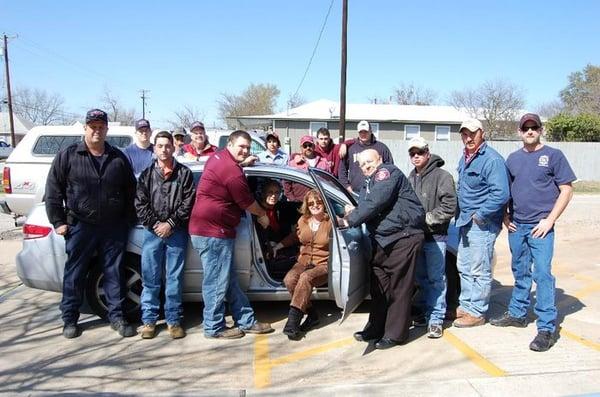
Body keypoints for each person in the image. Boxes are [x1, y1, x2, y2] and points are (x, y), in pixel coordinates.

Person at [45, 108, 137, 339]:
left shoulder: (117, 157)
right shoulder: (68, 155)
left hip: (112, 227)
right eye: (92, 126)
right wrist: (58, 221)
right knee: (75, 274)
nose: (97, 130)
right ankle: (69, 319)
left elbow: (130, 190)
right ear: (85, 128)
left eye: (101, 127)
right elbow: (53, 190)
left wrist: (127, 219)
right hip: (80, 226)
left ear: (106, 129)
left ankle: (117, 317)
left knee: (114, 273)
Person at [490, 113, 576, 352]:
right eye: (525, 128)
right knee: (519, 271)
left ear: (540, 130)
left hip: (541, 228)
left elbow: (566, 190)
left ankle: (546, 328)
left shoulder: (554, 156)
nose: (530, 131)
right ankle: (518, 313)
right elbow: (505, 190)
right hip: (518, 226)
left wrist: (549, 220)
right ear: (519, 132)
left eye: (534, 127)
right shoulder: (513, 159)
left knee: (542, 274)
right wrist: (506, 216)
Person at [188, 130, 274, 339]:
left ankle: (246, 320)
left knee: (227, 280)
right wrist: (263, 215)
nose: (244, 150)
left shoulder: (218, 157)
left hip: (211, 230)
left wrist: (243, 164)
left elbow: (229, 173)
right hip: (213, 233)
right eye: (241, 147)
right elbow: (247, 203)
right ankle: (214, 327)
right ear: (230, 144)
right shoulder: (232, 172)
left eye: (247, 147)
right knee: (216, 282)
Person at [343, 149, 425, 349]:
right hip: (383, 241)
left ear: (379, 160)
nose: (366, 167)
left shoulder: (387, 172)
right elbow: (365, 205)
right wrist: (354, 212)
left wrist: (349, 219)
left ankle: (396, 334)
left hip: (402, 237)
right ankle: (375, 328)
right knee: (379, 288)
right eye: (362, 165)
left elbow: (375, 202)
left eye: (369, 162)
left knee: (399, 289)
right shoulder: (368, 183)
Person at [135, 131, 196, 340]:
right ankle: (149, 321)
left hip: (176, 232)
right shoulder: (146, 175)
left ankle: (173, 320)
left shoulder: (184, 174)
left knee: (174, 278)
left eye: (167, 145)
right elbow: (140, 204)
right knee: (150, 278)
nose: (164, 149)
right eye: (160, 146)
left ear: (173, 147)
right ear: (154, 148)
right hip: (152, 233)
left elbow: (188, 203)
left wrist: (170, 223)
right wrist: (156, 225)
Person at [454, 118, 510, 328]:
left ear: (482, 133)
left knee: (479, 269)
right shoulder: (465, 158)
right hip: (464, 221)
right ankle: (466, 306)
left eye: (472, 133)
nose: (468, 138)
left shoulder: (492, 159)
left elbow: (501, 193)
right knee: (464, 267)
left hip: (482, 224)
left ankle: (477, 312)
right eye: (464, 134)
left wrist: (480, 215)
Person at [407, 137, 457, 339]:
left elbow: (449, 206)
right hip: (416, 237)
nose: (416, 156)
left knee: (436, 279)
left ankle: (436, 319)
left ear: (428, 153)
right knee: (421, 279)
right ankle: (427, 314)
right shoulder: (411, 177)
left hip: (436, 237)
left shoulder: (442, 176)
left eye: (419, 152)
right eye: (412, 153)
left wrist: (426, 220)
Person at [276, 189, 332, 340]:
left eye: (318, 202)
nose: (315, 205)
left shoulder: (331, 221)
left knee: (305, 278)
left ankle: (292, 322)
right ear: (307, 205)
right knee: (289, 280)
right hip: (303, 261)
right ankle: (312, 315)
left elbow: (347, 222)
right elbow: (295, 237)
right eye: (311, 203)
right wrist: (277, 246)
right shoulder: (303, 220)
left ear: (324, 204)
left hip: (323, 264)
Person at [339, 120, 393, 194]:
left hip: (377, 192)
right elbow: (342, 170)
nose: (363, 134)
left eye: (365, 131)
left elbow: (390, 169)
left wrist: (384, 187)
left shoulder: (382, 148)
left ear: (370, 131)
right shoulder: (351, 149)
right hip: (355, 192)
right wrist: (346, 186)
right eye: (361, 132)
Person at [284, 135, 329, 202]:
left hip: (319, 202)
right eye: (305, 146)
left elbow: (329, 183)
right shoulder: (293, 164)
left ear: (314, 146)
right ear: (301, 148)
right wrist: (293, 199)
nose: (308, 148)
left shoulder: (323, 162)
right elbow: (286, 183)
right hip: (299, 202)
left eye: (310, 145)